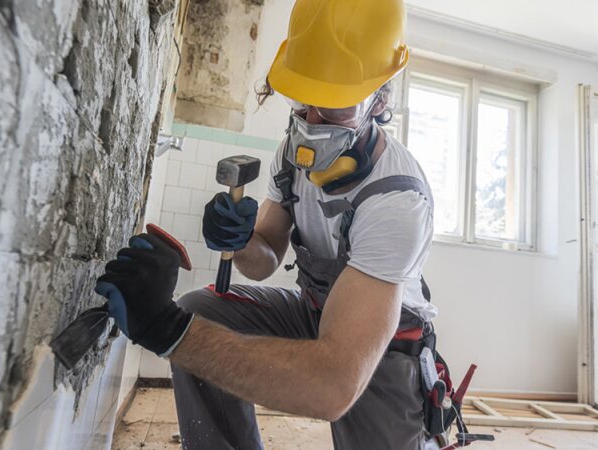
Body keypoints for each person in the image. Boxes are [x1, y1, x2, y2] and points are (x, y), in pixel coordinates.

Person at [95, 0, 441, 448]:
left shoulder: (397, 200)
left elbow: (333, 386)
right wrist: (240, 242)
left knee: (334, 388)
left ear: (381, 100)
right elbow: (264, 261)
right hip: (312, 311)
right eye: (304, 100)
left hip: (383, 346)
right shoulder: (292, 156)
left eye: (336, 107)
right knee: (203, 309)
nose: (312, 122)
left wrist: (167, 332)